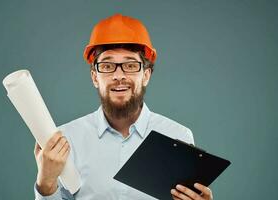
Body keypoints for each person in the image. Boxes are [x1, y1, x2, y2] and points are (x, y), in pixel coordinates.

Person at [34, 13, 213, 200]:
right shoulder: (66, 141)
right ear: (95, 77)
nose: (118, 75)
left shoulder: (178, 137)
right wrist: (46, 183)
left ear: (146, 75)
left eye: (130, 65)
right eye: (108, 65)